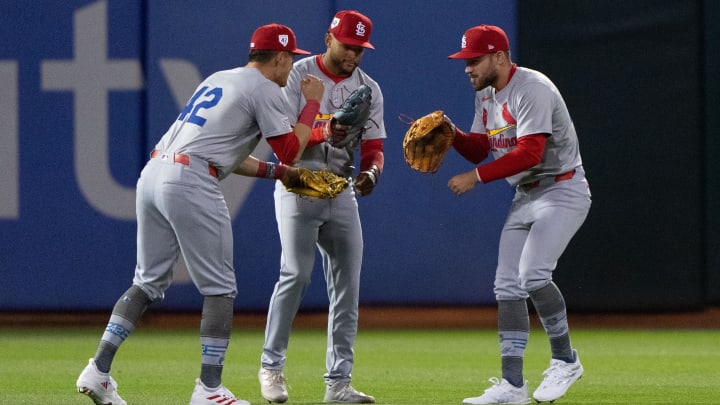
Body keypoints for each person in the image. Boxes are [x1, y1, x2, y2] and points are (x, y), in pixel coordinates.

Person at [75, 23, 325, 405]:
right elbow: (290, 148)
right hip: (191, 180)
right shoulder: (264, 88)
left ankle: (98, 370)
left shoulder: (220, 78)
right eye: (290, 59)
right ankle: (209, 389)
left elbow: (230, 153)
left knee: (147, 282)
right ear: (278, 58)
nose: (291, 68)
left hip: (155, 173)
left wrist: (278, 174)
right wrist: (311, 104)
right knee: (221, 288)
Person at [444, 25, 591, 404]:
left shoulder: (532, 88)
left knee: (533, 274)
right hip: (525, 195)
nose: (467, 69)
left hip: (562, 188)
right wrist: (451, 134)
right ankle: (513, 385)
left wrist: (475, 178)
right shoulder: (487, 94)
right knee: (507, 285)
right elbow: (480, 148)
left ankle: (565, 360)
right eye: (465, 61)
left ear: (500, 57)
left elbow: (530, 153)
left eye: (474, 60)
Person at [257, 10, 385, 404]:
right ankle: (271, 367)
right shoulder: (298, 75)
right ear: (330, 39)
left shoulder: (370, 88)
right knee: (295, 274)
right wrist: (324, 130)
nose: (354, 55)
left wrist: (372, 174)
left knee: (347, 287)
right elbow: (283, 139)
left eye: (360, 49)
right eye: (348, 46)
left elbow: (375, 148)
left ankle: (338, 385)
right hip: (298, 181)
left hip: (341, 189)